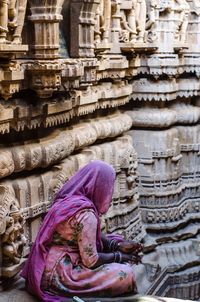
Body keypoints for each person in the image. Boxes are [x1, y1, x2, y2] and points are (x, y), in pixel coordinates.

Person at [21, 160, 143, 301]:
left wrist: (116, 245)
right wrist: (120, 257)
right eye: (109, 186)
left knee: (116, 239)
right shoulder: (86, 214)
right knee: (125, 273)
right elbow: (91, 260)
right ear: (99, 186)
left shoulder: (69, 199)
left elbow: (84, 235)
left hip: (46, 265)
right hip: (61, 275)